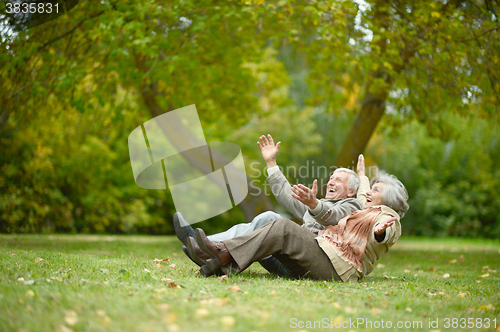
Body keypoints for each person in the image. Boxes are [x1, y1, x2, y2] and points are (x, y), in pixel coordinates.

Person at [187, 155, 409, 282]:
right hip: (322, 257)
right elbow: (362, 193)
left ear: (386, 201)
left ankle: (221, 253)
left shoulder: (386, 217)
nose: (369, 191)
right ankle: (217, 258)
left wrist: (380, 231)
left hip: (336, 267)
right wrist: (362, 176)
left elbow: (384, 232)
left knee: (283, 227)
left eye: (376, 189)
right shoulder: (364, 206)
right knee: (270, 221)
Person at [174, 134, 362, 276]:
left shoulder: (353, 207)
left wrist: (315, 204)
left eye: (338, 180)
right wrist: (271, 162)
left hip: (304, 265)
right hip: (288, 258)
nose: (331, 181)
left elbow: (335, 215)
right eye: (331, 178)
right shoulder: (316, 207)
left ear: (351, 191)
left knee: (279, 225)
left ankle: (207, 250)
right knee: (268, 218)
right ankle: (204, 248)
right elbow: (286, 195)